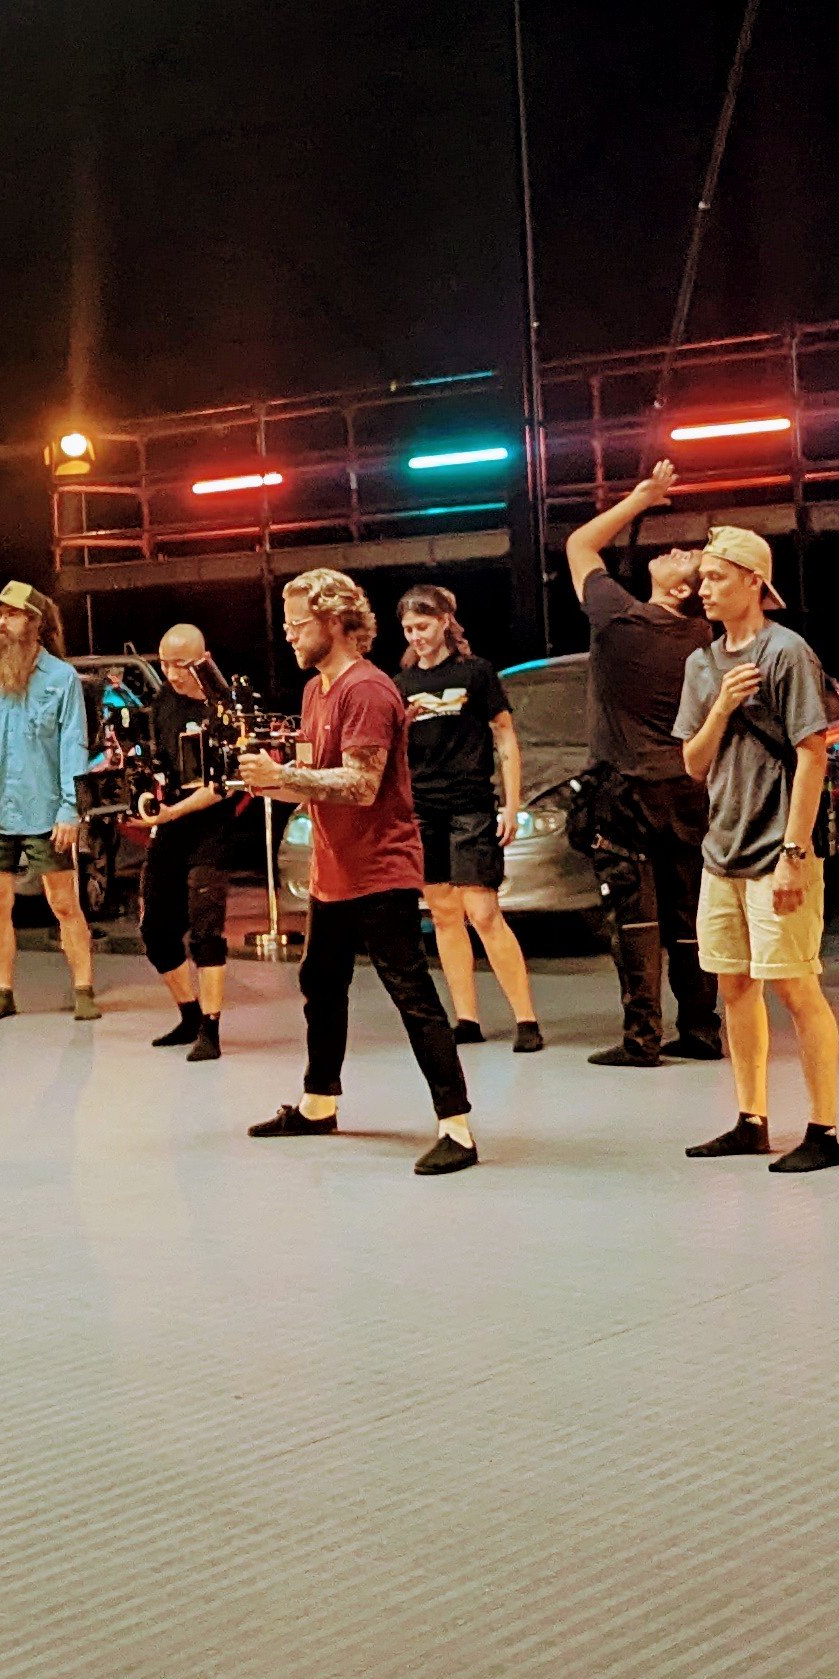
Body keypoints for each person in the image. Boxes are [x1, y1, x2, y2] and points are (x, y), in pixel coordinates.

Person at [237, 568, 476, 1172]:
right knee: (321, 985)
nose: (288, 635)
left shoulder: (366, 691)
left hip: (380, 869)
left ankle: (458, 1128)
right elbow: (316, 774)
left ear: (334, 621)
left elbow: (362, 785)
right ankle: (319, 1103)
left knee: (410, 992)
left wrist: (281, 778)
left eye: (297, 624)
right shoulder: (317, 690)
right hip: (334, 870)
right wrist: (274, 775)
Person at [675, 524, 839, 1173]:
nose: (704, 590)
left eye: (716, 577)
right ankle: (751, 1119)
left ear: (753, 581)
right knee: (735, 987)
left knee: (797, 987)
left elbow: (812, 754)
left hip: (778, 848)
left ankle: (824, 1130)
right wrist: (721, 707)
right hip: (722, 850)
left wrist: (793, 852)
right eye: (702, 579)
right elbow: (693, 763)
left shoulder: (787, 653)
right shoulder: (702, 663)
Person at [564, 462, 722, 1069]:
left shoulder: (619, 619)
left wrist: (640, 499)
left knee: (633, 916)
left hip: (626, 793)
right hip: (686, 791)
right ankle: (702, 1031)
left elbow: (581, 543)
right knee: (686, 911)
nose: (677, 549)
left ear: (682, 588)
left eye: (687, 557)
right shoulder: (704, 642)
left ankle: (641, 1039)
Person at [396, 584, 544, 1052]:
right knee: (442, 914)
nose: (416, 636)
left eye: (422, 626)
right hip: (424, 811)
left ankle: (526, 1019)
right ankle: (467, 1018)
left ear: (443, 622)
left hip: (471, 806)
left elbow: (506, 740)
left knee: (483, 911)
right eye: (408, 629)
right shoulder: (399, 687)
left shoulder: (477, 674)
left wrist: (512, 805)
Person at [0, 580, 100, 1021]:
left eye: (12, 614)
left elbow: (73, 747)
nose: (2, 622)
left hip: (44, 812)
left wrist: (68, 809)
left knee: (63, 902)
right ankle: (3, 992)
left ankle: (84, 989)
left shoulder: (61, 680)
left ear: (35, 623)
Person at [136, 623, 254, 1062]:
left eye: (180, 665)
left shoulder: (224, 707)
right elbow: (157, 763)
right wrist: (150, 794)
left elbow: (225, 784)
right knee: (154, 929)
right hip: (170, 828)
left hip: (211, 829)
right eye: (164, 663)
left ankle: (212, 1025)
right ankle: (188, 1012)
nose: (171, 673)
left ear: (202, 659)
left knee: (206, 929)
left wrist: (178, 810)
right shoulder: (162, 702)